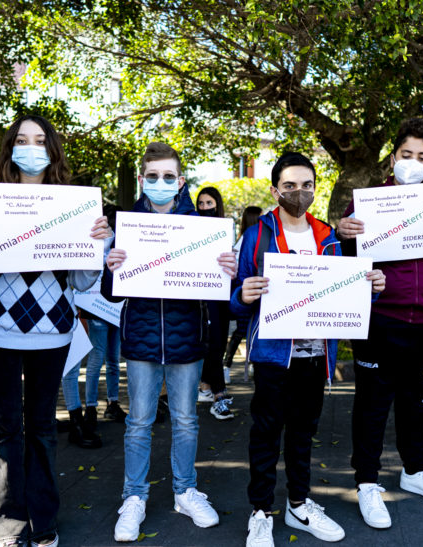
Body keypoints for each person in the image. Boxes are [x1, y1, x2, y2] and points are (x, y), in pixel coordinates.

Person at [0, 114, 113, 546]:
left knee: (43, 427)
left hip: (53, 330)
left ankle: (43, 520)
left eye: (40, 140)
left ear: (53, 149)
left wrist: (97, 245)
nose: (31, 148)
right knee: (5, 429)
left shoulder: (75, 204)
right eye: (22, 140)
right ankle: (8, 525)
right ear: (10, 148)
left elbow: (82, 281)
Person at [231, 152, 386, 547]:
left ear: (315, 189)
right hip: (273, 356)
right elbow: (234, 297)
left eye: (306, 185)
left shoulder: (329, 236)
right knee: (266, 434)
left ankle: (298, 504)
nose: (298, 192)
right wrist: (243, 296)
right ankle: (260, 511)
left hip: (316, 356)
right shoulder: (257, 235)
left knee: (303, 433)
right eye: (289, 186)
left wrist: (371, 288)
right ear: (274, 190)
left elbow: (347, 293)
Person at [338, 118, 423, 530]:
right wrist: (344, 234)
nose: (413, 162)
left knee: (417, 399)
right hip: (381, 318)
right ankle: (367, 482)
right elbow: (342, 259)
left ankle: (415, 471)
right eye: (406, 154)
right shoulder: (366, 203)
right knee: (372, 404)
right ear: (393, 157)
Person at [103, 142, 237, 542]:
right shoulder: (128, 226)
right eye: (152, 176)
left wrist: (226, 271)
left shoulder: (201, 228)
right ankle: (134, 497)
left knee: (186, 420)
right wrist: (111, 267)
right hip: (142, 338)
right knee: (138, 423)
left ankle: (185, 492)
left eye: (168, 176)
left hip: (187, 338)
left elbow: (217, 293)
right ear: (141, 179)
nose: (159, 182)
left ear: (180, 182)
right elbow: (111, 294)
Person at [60, 203, 126, 450]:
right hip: (91, 307)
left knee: (110, 358)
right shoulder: (86, 236)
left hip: (112, 308)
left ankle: (99, 407)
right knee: (86, 361)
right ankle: (86, 411)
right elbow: (82, 277)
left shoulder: (120, 241)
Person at [195, 186, 235, 420]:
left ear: (217, 205)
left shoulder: (227, 230)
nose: (205, 208)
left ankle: (206, 386)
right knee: (212, 343)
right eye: (201, 204)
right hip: (203, 294)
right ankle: (219, 395)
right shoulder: (192, 230)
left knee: (218, 342)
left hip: (223, 293)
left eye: (209, 203)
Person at [224, 206, 262, 381]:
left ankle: (228, 366)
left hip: (248, 292)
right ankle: (230, 365)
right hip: (246, 294)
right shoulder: (250, 239)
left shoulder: (243, 239)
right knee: (244, 331)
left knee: (242, 332)